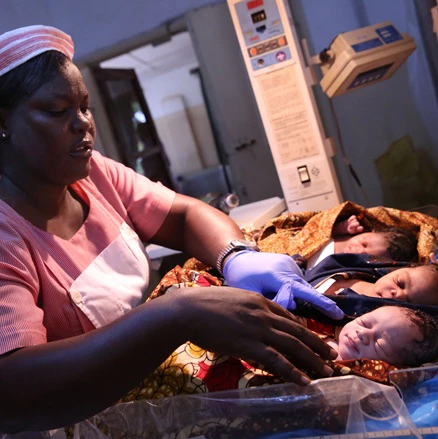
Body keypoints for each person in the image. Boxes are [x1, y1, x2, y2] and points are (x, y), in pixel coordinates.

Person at [0, 25, 344, 433]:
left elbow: (183, 215)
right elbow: (14, 384)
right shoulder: (8, 236)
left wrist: (237, 256)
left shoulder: (92, 176)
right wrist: (171, 316)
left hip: (148, 391)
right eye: (58, 111)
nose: (83, 125)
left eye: (85, 107)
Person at [319, 306, 438, 367]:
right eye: (364, 322)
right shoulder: (324, 324)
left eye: (380, 346)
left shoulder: (366, 377)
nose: (363, 333)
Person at [304, 253, 438, 306]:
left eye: (409, 302)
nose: (398, 295)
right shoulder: (360, 268)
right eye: (400, 283)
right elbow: (320, 268)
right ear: (395, 270)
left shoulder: (366, 322)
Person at [307, 214, 418, 268]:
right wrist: (339, 227)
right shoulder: (337, 234)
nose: (358, 251)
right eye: (364, 243)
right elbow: (313, 230)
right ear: (367, 232)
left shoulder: (344, 271)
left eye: (366, 256)